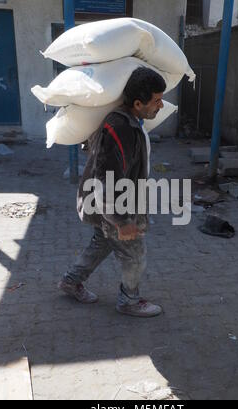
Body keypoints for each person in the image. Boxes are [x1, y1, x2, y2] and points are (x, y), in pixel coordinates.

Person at [58, 67, 166, 317]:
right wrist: (122, 221)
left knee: (101, 243)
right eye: (157, 100)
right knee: (135, 254)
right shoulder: (121, 128)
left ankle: (71, 281)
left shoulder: (129, 121)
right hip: (115, 206)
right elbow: (106, 180)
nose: (161, 106)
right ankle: (129, 300)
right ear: (138, 103)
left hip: (111, 204)